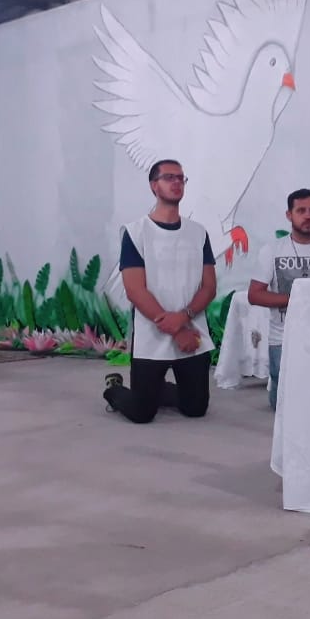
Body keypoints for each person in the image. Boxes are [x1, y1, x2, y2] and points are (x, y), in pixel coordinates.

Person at [104, 158, 217, 424]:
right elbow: (135, 289)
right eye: (169, 177)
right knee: (142, 414)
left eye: (180, 178)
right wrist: (177, 329)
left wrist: (184, 318)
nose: (176, 182)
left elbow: (209, 286)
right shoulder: (136, 232)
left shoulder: (198, 233)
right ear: (154, 186)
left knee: (196, 408)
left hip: (192, 331)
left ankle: (156, 390)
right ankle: (113, 389)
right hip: (152, 332)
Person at [248, 188, 310, 409]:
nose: (308, 216)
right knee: (283, 405)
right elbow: (254, 294)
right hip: (283, 338)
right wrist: (296, 300)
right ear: (289, 215)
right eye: (301, 211)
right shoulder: (272, 251)